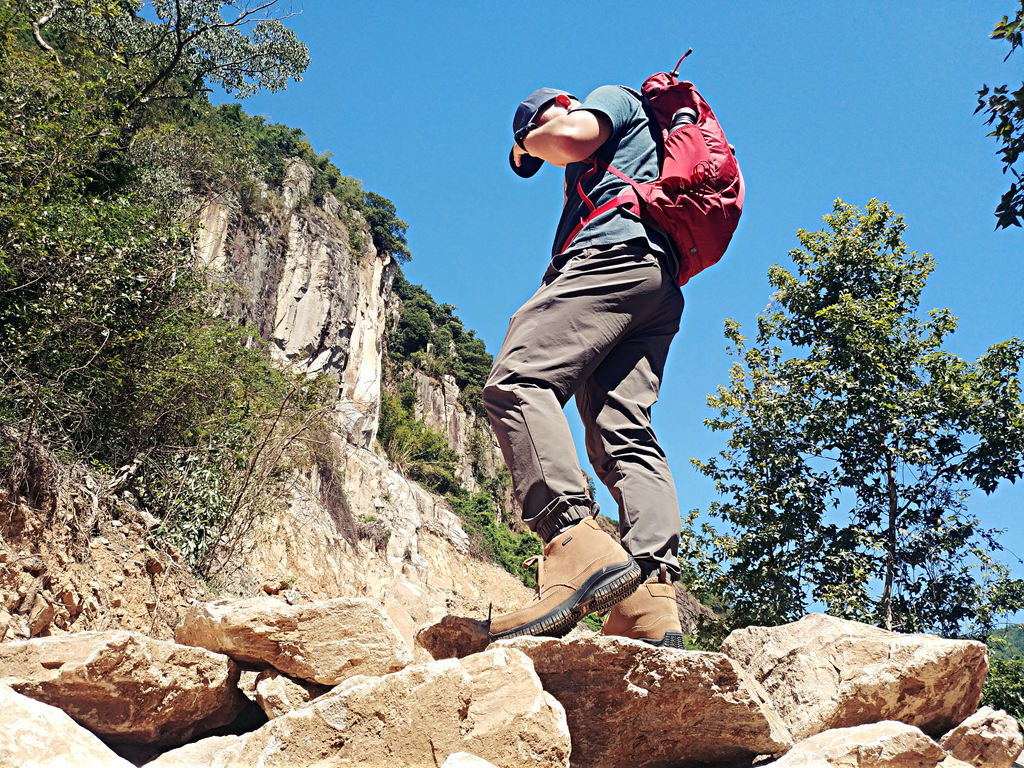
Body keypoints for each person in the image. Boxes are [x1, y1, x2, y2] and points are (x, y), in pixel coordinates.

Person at [483, 85, 685, 648]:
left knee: (517, 381)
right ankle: (648, 597)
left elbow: (568, 136)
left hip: (612, 257)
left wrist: (527, 141)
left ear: (559, 104)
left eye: (533, 127)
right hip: (656, 282)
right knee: (622, 430)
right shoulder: (619, 162)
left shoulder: (608, 101)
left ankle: (570, 539)